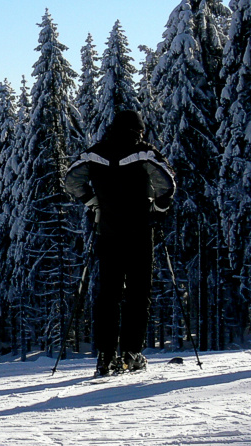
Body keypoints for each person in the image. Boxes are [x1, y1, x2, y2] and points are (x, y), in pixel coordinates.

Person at [64, 110, 176, 376]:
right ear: (138, 130)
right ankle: (131, 354)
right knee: (138, 294)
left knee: (108, 295)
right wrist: (158, 209)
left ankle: (105, 356)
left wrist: (92, 202)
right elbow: (167, 185)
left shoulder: (95, 153)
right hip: (139, 233)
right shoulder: (143, 152)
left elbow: (71, 180)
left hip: (108, 233)